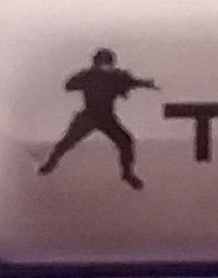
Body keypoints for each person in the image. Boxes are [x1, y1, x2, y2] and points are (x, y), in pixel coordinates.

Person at [43, 48, 156, 189]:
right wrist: (88, 76)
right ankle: (50, 164)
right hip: (89, 116)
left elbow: (133, 82)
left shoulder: (115, 76)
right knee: (67, 142)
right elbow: (69, 85)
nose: (105, 66)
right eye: (102, 63)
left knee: (126, 141)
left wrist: (145, 83)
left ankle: (127, 174)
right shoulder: (90, 76)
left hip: (106, 117)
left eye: (106, 63)